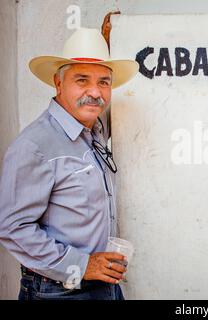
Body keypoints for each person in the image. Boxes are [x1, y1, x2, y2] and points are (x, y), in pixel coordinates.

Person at [0, 27, 138, 300]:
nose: (95, 93)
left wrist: (110, 37)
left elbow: (96, 102)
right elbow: (12, 228)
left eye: (104, 82)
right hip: (57, 290)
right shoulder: (35, 146)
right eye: (82, 80)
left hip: (104, 284)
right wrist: (84, 265)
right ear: (58, 83)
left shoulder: (94, 127)